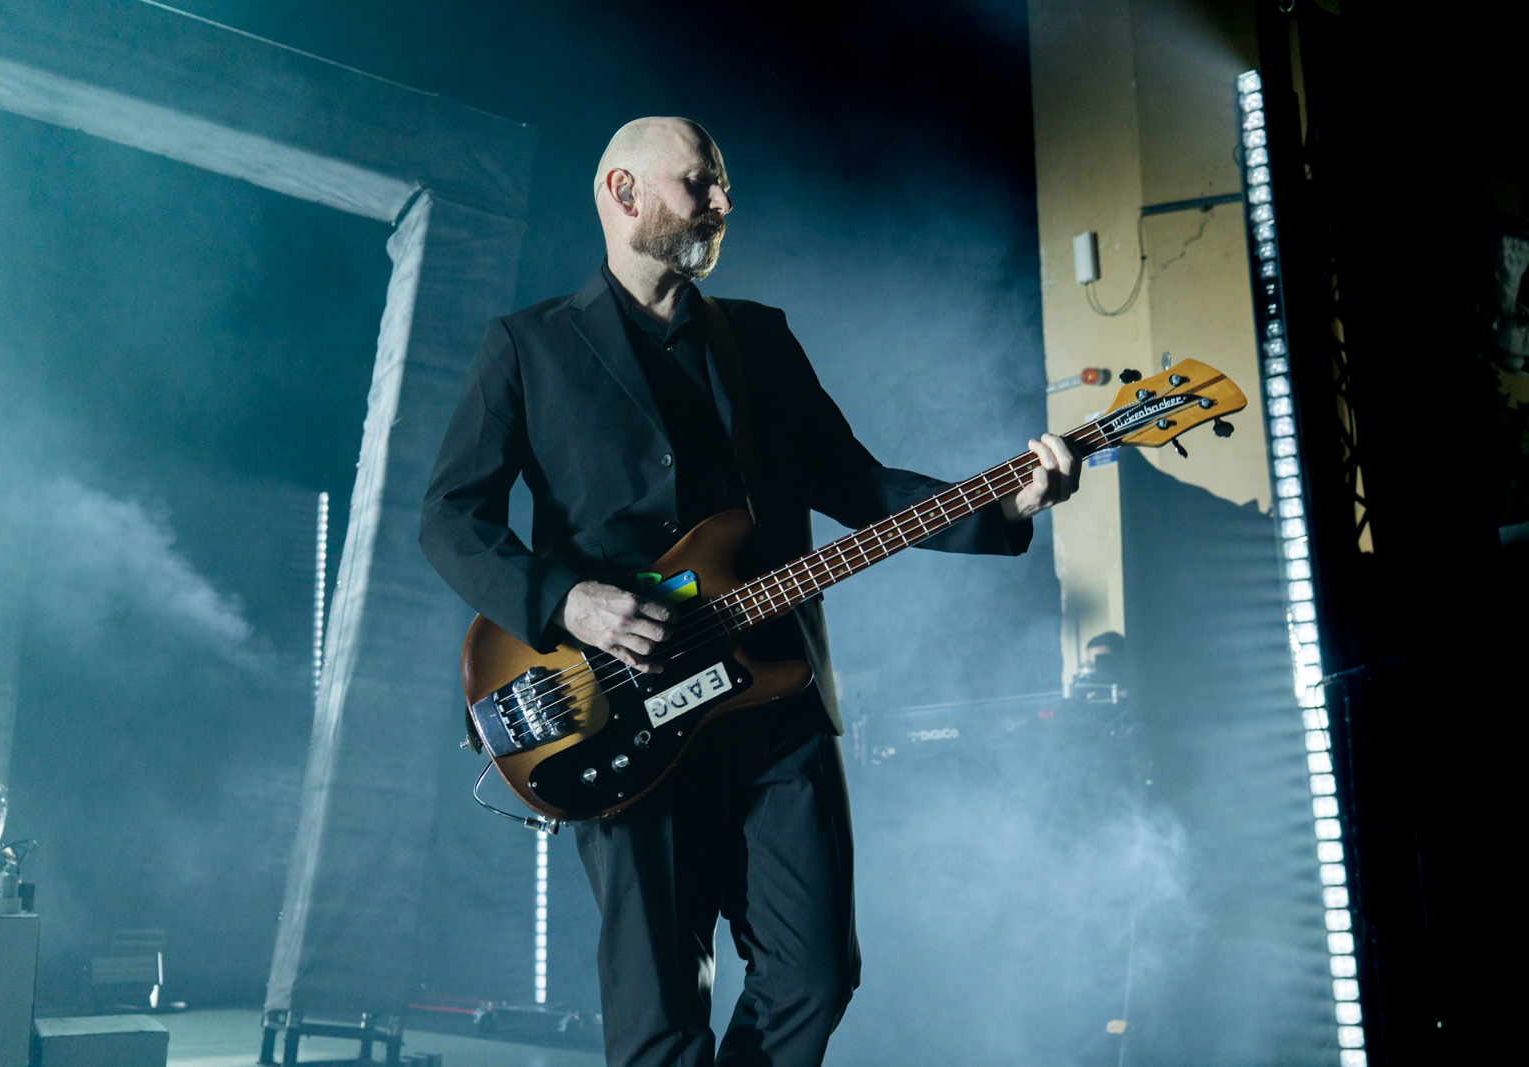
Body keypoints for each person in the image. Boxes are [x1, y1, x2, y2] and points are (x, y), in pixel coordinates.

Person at [420, 117, 1080, 1067]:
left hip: (775, 699)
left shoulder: (758, 338)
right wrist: (567, 601)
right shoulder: (527, 345)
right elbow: (450, 517)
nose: (724, 202)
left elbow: (856, 483)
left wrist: (1005, 503)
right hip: (618, 709)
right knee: (660, 1011)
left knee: (814, 976)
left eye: (722, 184)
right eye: (700, 183)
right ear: (623, 192)